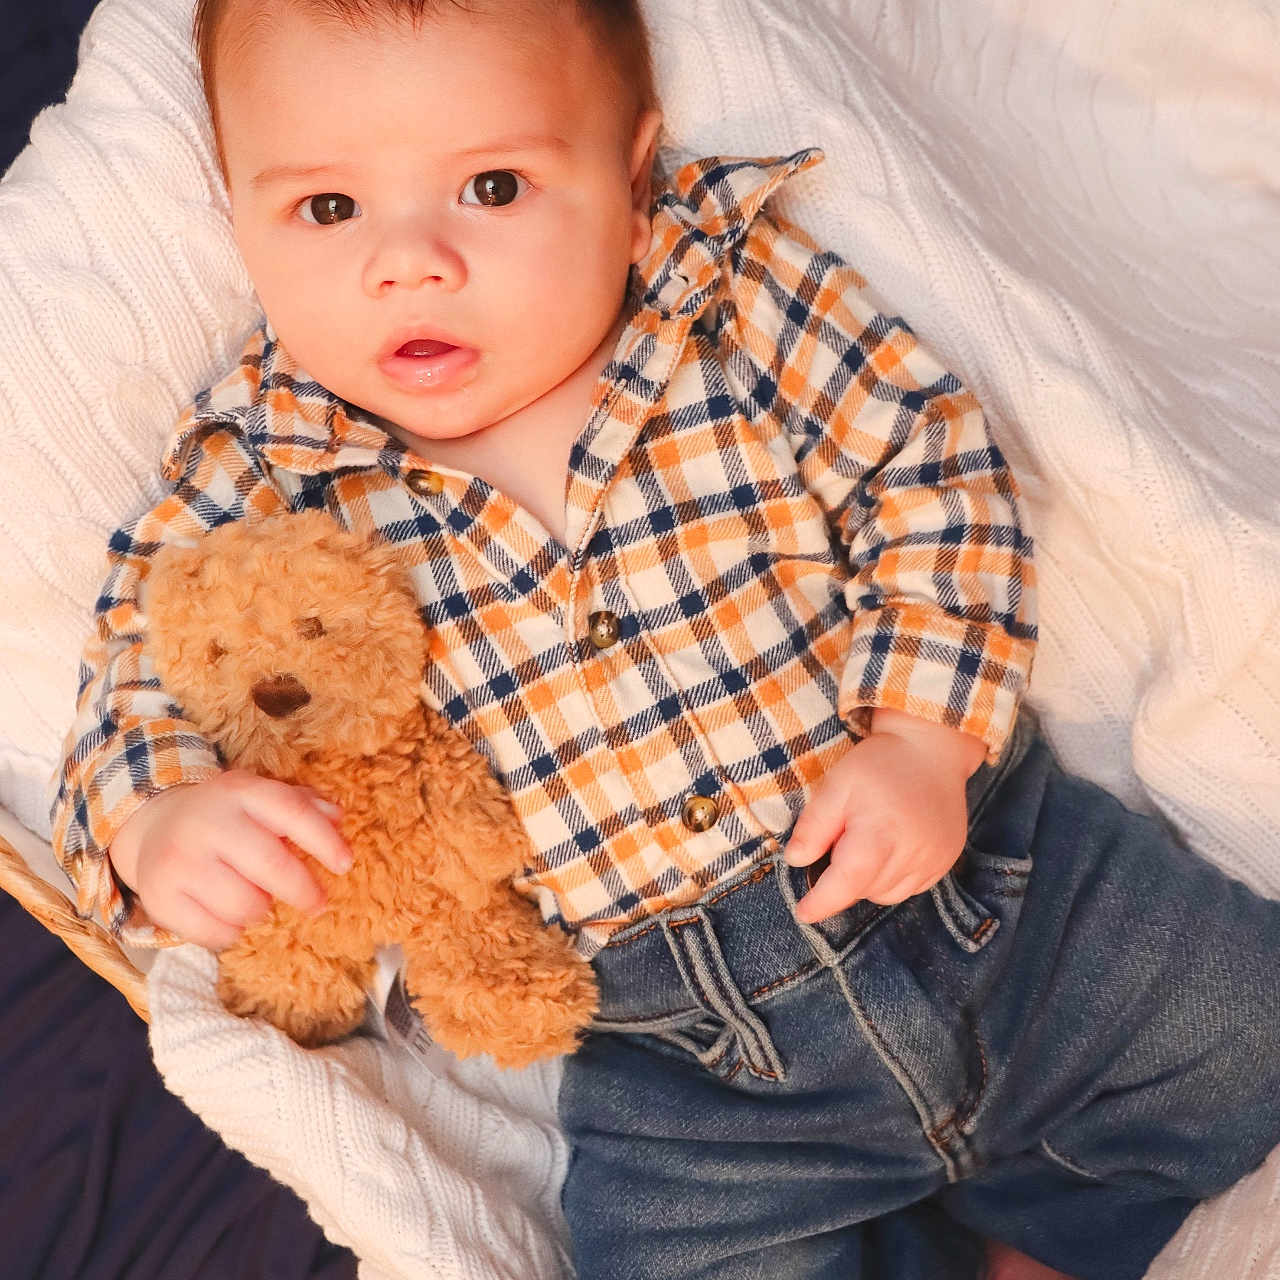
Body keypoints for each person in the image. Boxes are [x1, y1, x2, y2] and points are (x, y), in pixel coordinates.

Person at [49, 1, 1280, 1277]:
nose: (407, 261)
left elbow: (926, 462)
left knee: (1239, 1024)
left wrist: (921, 733)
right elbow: (134, 675)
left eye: (490, 185)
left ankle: (1053, 1229)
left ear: (631, 184)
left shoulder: (721, 291)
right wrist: (155, 820)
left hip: (991, 888)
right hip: (683, 1055)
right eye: (325, 210)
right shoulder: (260, 463)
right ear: (239, 216)